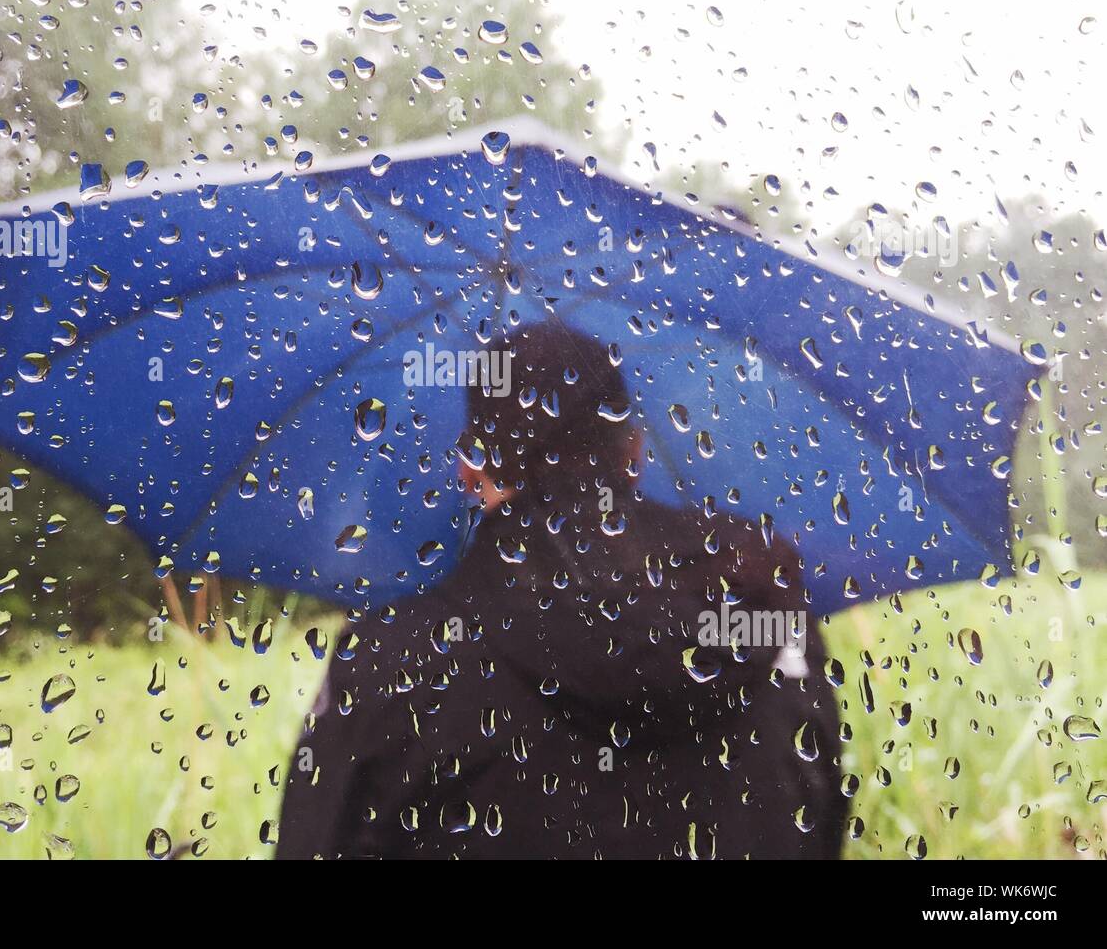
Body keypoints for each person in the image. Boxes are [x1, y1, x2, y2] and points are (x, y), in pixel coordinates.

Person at [277, 322, 847, 858]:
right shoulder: (768, 620)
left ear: (469, 469)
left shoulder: (389, 663)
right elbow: (820, 828)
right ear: (634, 452)